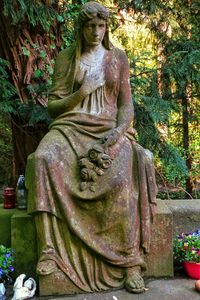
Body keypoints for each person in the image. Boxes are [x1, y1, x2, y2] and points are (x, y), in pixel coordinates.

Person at [25, 1, 157, 294]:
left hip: (108, 129)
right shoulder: (65, 59)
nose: (96, 31)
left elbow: (126, 107)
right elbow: (53, 108)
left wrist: (118, 134)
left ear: (107, 28)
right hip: (70, 127)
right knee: (42, 159)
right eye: (90, 26)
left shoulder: (118, 58)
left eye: (101, 26)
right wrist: (81, 92)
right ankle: (49, 250)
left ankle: (129, 263)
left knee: (123, 177)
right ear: (80, 28)